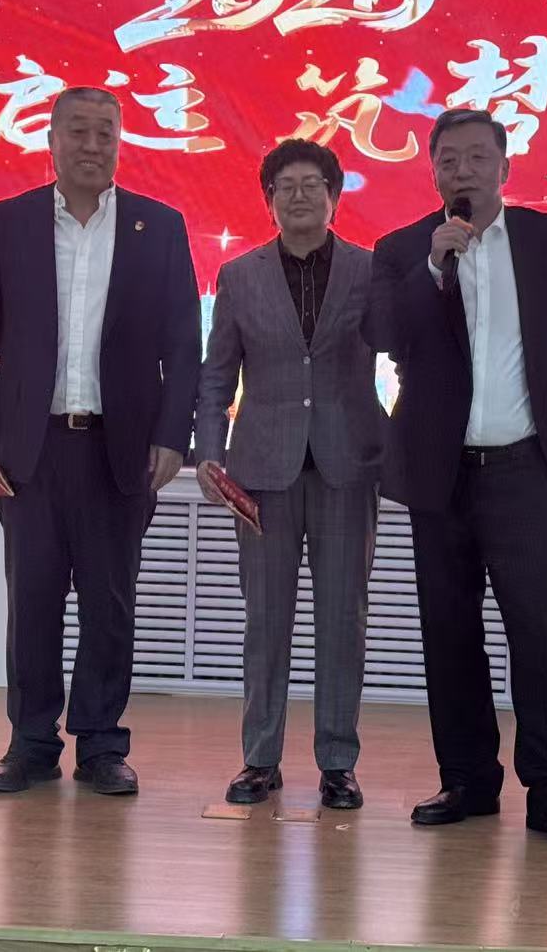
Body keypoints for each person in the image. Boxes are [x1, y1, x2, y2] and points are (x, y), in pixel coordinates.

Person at [368, 108, 547, 848]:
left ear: (505, 169)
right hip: (438, 475)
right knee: (449, 632)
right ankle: (468, 781)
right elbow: (382, 333)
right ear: (433, 172)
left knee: (532, 630)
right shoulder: (403, 249)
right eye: (449, 160)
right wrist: (433, 268)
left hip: (521, 467)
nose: (464, 171)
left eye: (479, 158)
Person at [0, 86, 200, 797]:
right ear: (52, 140)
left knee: (109, 605)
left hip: (119, 448)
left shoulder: (160, 226)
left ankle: (100, 744)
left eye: (105, 133)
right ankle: (31, 743)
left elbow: (184, 343)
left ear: (120, 142)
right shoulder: (12, 222)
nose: (92, 145)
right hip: (28, 451)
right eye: (78, 132)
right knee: (31, 602)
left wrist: (174, 436)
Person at [195, 139, 384, 811]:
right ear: (268, 200)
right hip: (261, 471)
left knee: (343, 620)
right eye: (286, 186)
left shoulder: (370, 270)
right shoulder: (239, 275)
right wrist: (208, 451)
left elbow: (408, 352)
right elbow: (217, 374)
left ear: (334, 197)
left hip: (347, 465)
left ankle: (338, 761)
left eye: (312, 185)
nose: (299, 196)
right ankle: (260, 759)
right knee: (265, 620)